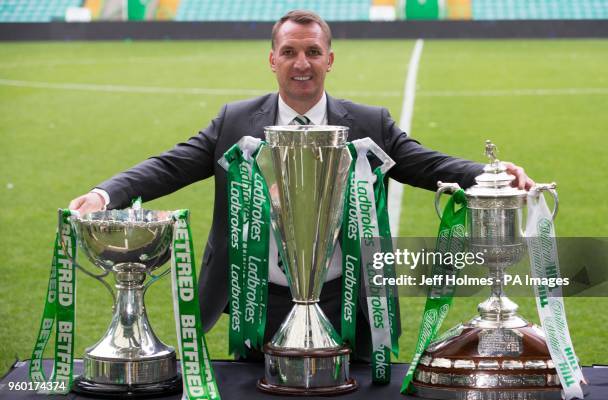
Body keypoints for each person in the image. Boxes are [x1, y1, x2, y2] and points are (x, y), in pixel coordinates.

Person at [69, 10, 533, 360]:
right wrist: (105, 194)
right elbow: (173, 164)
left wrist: (490, 174)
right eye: (289, 52)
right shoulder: (235, 121)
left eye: (312, 52)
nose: (302, 63)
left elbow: (420, 163)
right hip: (257, 299)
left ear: (330, 59)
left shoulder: (368, 123)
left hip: (347, 299)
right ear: (272, 60)